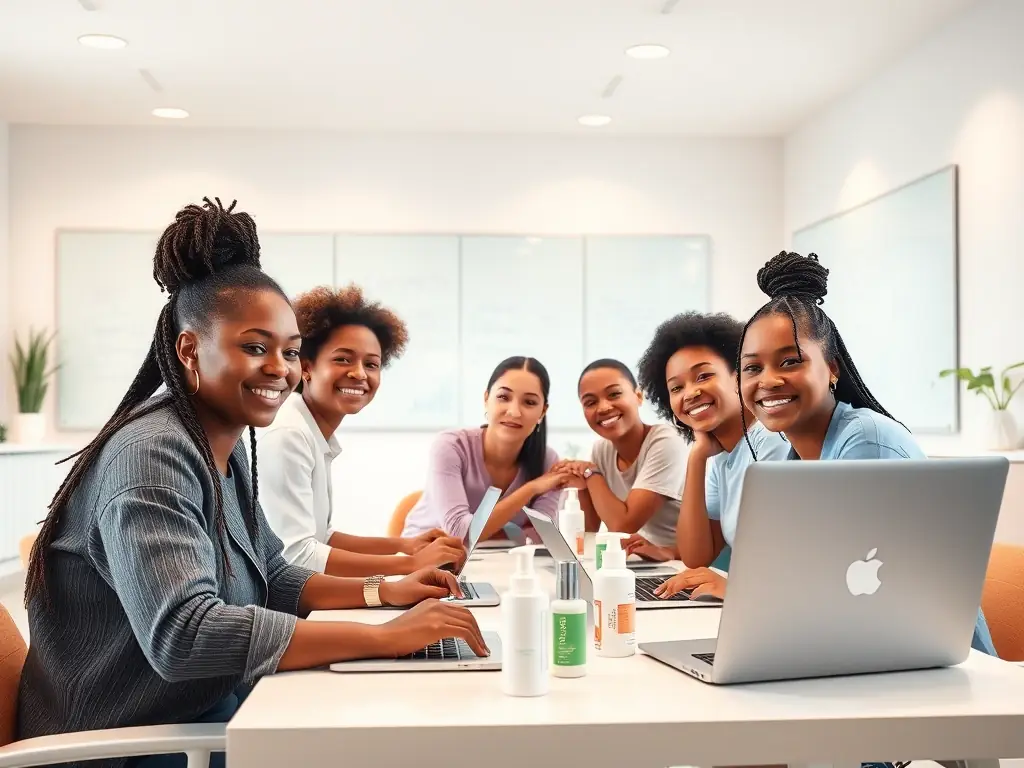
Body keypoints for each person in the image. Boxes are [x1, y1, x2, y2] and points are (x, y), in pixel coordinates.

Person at [17, 198, 487, 768]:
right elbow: (185, 635)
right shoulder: (151, 458)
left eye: (290, 352)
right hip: (126, 743)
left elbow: (275, 572)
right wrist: (385, 637)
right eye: (255, 347)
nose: (282, 369)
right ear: (190, 349)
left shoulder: (223, 445)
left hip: (196, 715)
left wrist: (385, 592)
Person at [653, 251, 998, 658]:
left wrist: (744, 592)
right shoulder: (784, 454)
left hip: (934, 662)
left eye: (790, 361)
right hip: (854, 646)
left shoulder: (865, 441)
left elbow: (859, 586)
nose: (769, 381)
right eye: (752, 368)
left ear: (832, 368)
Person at [258, 284, 465, 577]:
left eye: (372, 364)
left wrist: (406, 545)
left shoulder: (312, 431)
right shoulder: (289, 434)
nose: (359, 373)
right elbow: (297, 555)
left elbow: (322, 538)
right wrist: (410, 565)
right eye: (343, 359)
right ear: (306, 367)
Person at [626, 313, 790, 589]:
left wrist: (733, 586)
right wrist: (698, 456)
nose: (690, 393)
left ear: (740, 377)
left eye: (703, 376)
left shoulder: (773, 439)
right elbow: (696, 556)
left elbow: (786, 554)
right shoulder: (719, 458)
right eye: (676, 388)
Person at [402, 356, 572, 544]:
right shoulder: (451, 446)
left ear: (543, 412)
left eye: (529, 402)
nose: (514, 411)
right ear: (486, 399)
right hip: (427, 560)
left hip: (497, 562)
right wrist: (531, 489)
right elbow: (461, 533)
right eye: (503, 397)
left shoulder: (547, 460)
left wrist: (488, 532)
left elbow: (542, 537)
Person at [552, 359, 687, 554]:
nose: (604, 407)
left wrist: (591, 473)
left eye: (614, 394)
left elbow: (623, 526)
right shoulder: (601, 450)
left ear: (638, 396)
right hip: (644, 560)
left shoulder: (667, 441)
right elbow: (589, 529)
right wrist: (581, 484)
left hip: (684, 563)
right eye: (590, 402)